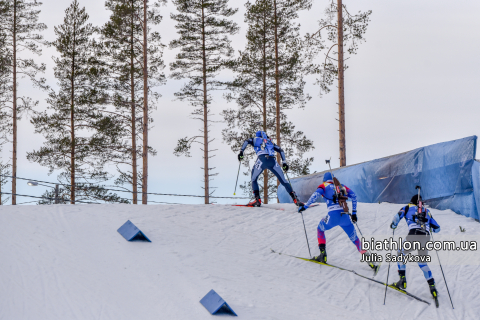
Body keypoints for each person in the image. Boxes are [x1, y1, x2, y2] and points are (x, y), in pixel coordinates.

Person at [297, 172, 378, 271]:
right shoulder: (341, 186)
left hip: (332, 217)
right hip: (345, 217)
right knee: (356, 239)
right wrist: (354, 213)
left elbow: (315, 195)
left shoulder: (323, 186)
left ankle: (323, 255)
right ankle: (371, 262)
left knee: (320, 229)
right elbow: (354, 196)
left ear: (324, 180)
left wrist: (305, 207)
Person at [390, 194, 440, 299]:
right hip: (426, 237)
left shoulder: (407, 207)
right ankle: (432, 287)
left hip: (414, 234)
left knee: (400, 253)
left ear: (411, 201)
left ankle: (402, 280)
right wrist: (429, 227)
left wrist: (393, 225)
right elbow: (437, 228)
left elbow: (396, 217)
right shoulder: (427, 211)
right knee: (422, 263)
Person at [238, 131, 302, 207]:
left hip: (262, 160)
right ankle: (295, 199)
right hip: (273, 161)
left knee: (254, 179)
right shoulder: (270, 141)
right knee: (284, 181)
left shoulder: (254, 139)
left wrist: (241, 151)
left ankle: (257, 200)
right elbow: (280, 150)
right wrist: (284, 162)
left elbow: (246, 141)